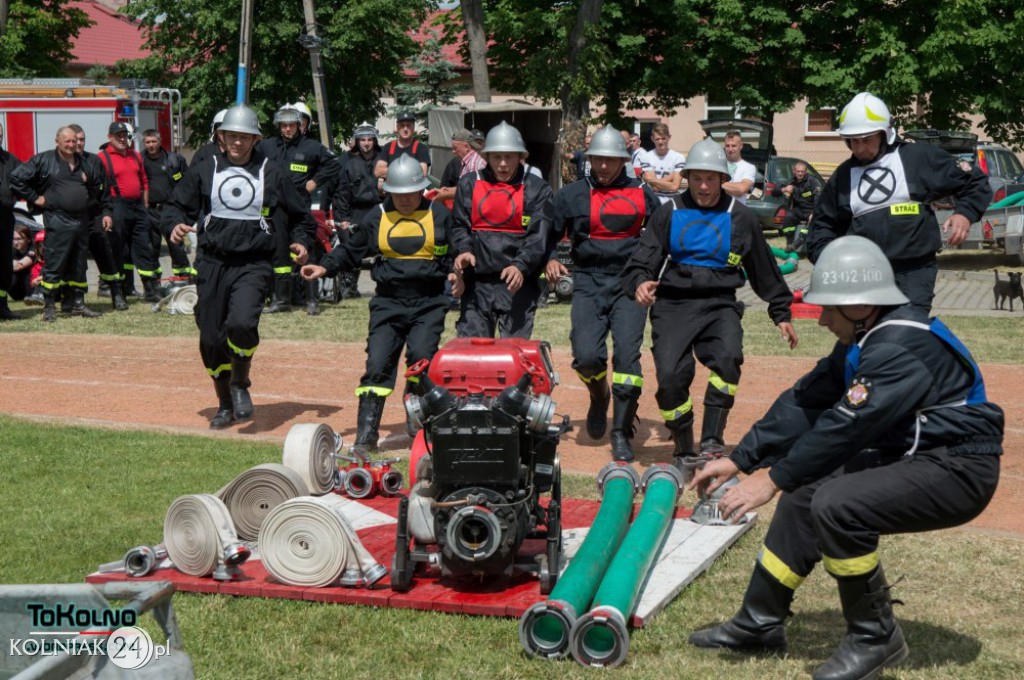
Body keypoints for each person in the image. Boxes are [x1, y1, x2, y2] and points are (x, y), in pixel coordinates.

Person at [688, 235, 1002, 680]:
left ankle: (876, 638)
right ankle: (759, 622)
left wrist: (771, 479)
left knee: (837, 505)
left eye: (828, 309)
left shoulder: (898, 347)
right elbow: (806, 401)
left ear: (860, 305)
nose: (821, 320)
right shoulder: (867, 337)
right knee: (805, 493)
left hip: (959, 469)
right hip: (920, 456)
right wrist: (742, 459)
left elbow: (846, 427)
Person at [621, 137, 797, 471]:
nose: (704, 186)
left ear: (722, 179)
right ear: (687, 177)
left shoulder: (740, 217)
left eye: (711, 179)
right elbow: (641, 262)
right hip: (672, 306)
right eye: (697, 178)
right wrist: (640, 283)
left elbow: (764, 269)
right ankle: (684, 446)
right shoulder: (669, 212)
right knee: (670, 377)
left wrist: (781, 313)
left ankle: (713, 441)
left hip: (719, 305)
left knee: (728, 359)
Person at [163, 104, 316, 429]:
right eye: (231, 135)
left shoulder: (272, 171)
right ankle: (224, 403)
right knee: (210, 340)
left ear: (255, 139)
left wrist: (301, 241)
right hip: (211, 262)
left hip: (253, 263)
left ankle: (239, 383)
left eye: (244, 137)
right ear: (221, 137)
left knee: (242, 323)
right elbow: (175, 205)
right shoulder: (205, 169)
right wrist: (174, 224)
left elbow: (301, 215)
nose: (237, 142)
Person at [302, 155, 461, 455]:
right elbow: (352, 250)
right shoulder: (377, 216)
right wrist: (324, 267)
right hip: (388, 302)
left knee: (422, 358)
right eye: (398, 194)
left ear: (422, 190)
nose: (405, 200)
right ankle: (366, 435)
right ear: (388, 192)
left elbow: (456, 250)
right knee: (377, 365)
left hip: (429, 303)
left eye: (410, 193)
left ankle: (417, 412)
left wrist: (456, 270)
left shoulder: (439, 215)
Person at [806, 92, 992, 313]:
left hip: (914, 272)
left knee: (907, 327)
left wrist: (965, 214)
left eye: (867, 140)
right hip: (864, 277)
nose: (860, 148)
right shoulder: (843, 177)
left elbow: (974, 182)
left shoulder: (917, 158)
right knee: (869, 332)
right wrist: (829, 260)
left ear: (884, 134)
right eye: (854, 141)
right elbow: (822, 225)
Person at [546, 125, 661, 461]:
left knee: (626, 358)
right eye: (598, 159)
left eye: (612, 160)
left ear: (624, 160)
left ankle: (621, 431)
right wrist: (550, 258)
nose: (605, 166)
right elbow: (547, 233)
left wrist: (650, 275)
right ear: (590, 158)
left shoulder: (643, 193)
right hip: (588, 281)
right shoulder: (571, 195)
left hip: (630, 283)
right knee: (586, 356)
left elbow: (661, 237)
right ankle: (599, 395)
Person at [451, 121, 554, 339]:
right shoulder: (469, 184)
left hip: (518, 284)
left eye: (509, 157)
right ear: (487, 157)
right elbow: (460, 225)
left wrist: (520, 266)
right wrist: (464, 249)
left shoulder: (537, 189)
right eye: (497, 157)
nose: (503, 164)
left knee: (514, 352)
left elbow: (538, 235)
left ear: (520, 157)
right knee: (474, 350)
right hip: (477, 284)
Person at [10, 126, 112, 322]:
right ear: (57, 141)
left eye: (74, 141)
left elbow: (98, 187)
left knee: (79, 264)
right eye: (67, 141)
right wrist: (35, 198)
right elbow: (16, 177)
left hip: (81, 219)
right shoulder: (44, 160)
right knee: (54, 263)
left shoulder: (84, 162)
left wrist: (90, 188)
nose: (72, 144)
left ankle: (78, 304)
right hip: (58, 219)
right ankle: (49, 307)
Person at [260, 104, 341, 315]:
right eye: (284, 125)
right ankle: (281, 300)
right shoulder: (267, 146)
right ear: (279, 126)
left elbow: (334, 163)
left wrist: (315, 181)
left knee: (307, 253)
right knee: (279, 255)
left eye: (292, 125)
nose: (288, 129)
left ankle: (312, 301)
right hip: (275, 210)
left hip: (301, 210)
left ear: (299, 126)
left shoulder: (311, 147)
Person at [99, 121, 161, 303]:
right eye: (118, 136)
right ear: (110, 137)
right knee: (117, 249)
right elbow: (99, 187)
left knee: (144, 247)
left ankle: (150, 289)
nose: (122, 139)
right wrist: (105, 212)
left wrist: (145, 203)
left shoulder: (135, 155)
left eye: (124, 136)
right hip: (116, 206)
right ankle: (118, 292)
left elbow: (144, 181)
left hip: (138, 206)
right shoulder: (102, 157)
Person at [68, 124, 126, 310]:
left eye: (82, 139)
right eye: (76, 140)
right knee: (76, 260)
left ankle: (117, 293)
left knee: (106, 253)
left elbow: (105, 192)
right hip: (72, 218)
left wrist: (107, 213)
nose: (79, 143)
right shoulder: (61, 162)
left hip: (94, 216)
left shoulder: (94, 161)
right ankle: (75, 299)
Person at [332, 122, 383, 300]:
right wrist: (343, 219)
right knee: (352, 250)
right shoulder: (349, 164)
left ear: (374, 141)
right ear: (357, 142)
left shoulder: (383, 162)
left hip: (379, 209)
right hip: (356, 212)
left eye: (369, 139)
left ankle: (385, 286)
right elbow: (342, 195)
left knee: (383, 249)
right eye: (362, 140)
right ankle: (349, 287)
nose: (366, 143)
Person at [141, 129, 194, 289]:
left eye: (154, 141)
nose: (151, 145)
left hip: (171, 211)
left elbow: (188, 182)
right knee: (151, 247)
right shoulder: (139, 161)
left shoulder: (174, 159)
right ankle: (153, 283)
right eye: (148, 142)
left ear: (160, 141)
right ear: (144, 144)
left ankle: (183, 278)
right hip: (150, 210)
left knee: (176, 245)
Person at [773, 160, 823, 253]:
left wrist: (814, 212)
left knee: (809, 226)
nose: (800, 174)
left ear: (806, 172)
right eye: (798, 171)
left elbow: (818, 197)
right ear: (794, 171)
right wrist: (784, 189)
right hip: (798, 210)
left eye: (802, 171)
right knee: (788, 217)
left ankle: (798, 243)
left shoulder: (813, 181)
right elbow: (774, 192)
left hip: (811, 210)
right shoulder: (791, 181)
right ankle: (790, 243)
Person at [0, 121, 22, 320]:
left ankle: (2, 306)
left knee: (4, 262)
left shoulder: (10, 160)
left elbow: (26, 179)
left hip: (5, 217)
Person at [434, 128, 486, 208]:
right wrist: (446, 190)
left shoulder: (474, 164)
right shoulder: (466, 162)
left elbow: (473, 190)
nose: (453, 151)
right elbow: (464, 187)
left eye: (455, 148)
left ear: (466, 147)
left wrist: (447, 194)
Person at [374, 110, 430, 183]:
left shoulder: (421, 148)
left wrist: (392, 172)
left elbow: (422, 174)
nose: (405, 129)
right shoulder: (388, 147)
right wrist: (408, 172)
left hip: (413, 189)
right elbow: (378, 171)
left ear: (413, 128)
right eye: (402, 125)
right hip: (392, 189)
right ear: (397, 128)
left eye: (408, 125)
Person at [640, 123, 686, 205]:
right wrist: (672, 176)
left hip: (672, 204)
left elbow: (675, 187)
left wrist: (651, 180)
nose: (660, 142)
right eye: (657, 139)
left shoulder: (679, 158)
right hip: (653, 203)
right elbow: (654, 187)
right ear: (652, 139)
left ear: (669, 137)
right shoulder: (646, 157)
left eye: (663, 138)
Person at [722, 130, 756, 205]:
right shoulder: (718, 164)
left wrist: (716, 184)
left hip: (736, 210)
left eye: (733, 146)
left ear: (741, 146)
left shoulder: (749, 167)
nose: (730, 149)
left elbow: (741, 189)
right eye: (727, 146)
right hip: (719, 210)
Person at [10, 225, 35, 302]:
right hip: (18, 292)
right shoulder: (12, 250)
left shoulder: (34, 249)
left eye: (19, 239)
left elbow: (19, 266)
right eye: (14, 239)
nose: (15, 242)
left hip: (32, 288)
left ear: (28, 239)